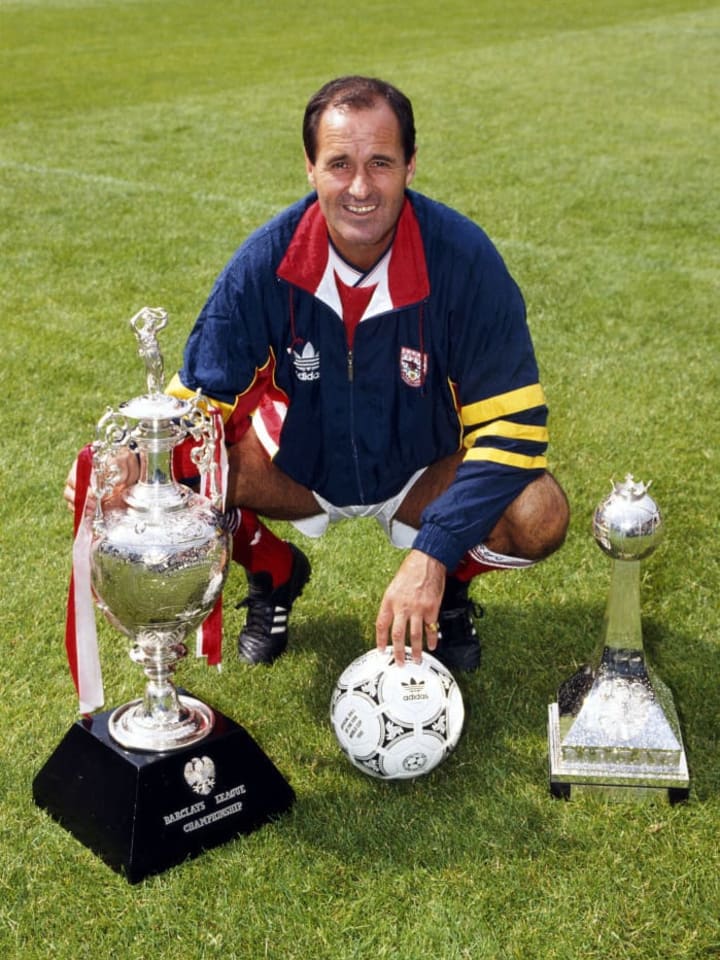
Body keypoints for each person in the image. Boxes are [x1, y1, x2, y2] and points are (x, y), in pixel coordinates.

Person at [65, 75, 569, 673]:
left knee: (539, 511)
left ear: (411, 165)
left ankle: (447, 590)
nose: (360, 187)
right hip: (295, 467)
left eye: (380, 162)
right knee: (163, 469)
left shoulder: (464, 260)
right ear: (310, 168)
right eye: (339, 164)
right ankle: (273, 571)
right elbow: (198, 397)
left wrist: (433, 552)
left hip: (422, 468)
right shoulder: (265, 262)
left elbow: (515, 430)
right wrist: (128, 459)